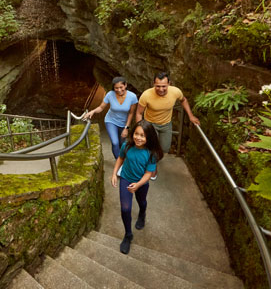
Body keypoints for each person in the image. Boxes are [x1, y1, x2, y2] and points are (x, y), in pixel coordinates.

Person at [135, 72, 200, 180]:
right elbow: (138, 113)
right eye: (158, 86)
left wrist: (191, 116)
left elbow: (184, 100)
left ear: (169, 84)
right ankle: (152, 167)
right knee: (152, 148)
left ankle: (152, 160)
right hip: (150, 124)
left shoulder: (176, 92)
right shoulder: (146, 95)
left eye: (164, 86)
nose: (161, 89)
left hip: (166, 124)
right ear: (153, 84)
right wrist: (140, 128)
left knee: (164, 148)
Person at [111, 120, 162, 254]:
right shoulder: (127, 146)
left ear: (148, 137)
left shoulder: (151, 153)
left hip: (141, 182)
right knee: (125, 208)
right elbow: (120, 159)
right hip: (126, 179)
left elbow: (148, 173)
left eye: (143, 136)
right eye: (136, 134)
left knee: (142, 202)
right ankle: (128, 235)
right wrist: (114, 173)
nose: (138, 138)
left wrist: (138, 184)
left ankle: (142, 213)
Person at [84, 77, 138, 159]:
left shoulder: (132, 97)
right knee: (115, 142)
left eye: (121, 87)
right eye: (116, 88)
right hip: (111, 121)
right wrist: (92, 111)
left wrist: (126, 128)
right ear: (113, 87)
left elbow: (131, 113)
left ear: (125, 85)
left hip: (123, 123)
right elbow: (101, 107)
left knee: (122, 143)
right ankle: (118, 162)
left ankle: (123, 157)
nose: (119, 90)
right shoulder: (110, 94)